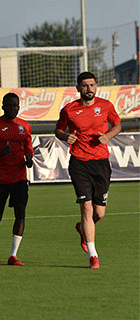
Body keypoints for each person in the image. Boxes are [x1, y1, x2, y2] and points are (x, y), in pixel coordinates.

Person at [55, 71, 121, 269]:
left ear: (96, 86)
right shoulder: (69, 109)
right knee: (86, 207)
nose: (89, 89)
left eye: (92, 85)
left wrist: (108, 136)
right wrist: (65, 137)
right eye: (84, 85)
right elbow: (58, 129)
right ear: (78, 88)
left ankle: (83, 228)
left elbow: (118, 125)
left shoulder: (106, 106)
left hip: (101, 164)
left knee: (99, 213)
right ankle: (93, 256)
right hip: (79, 163)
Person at [0, 93, 33, 266]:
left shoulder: (25, 125)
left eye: (15, 105)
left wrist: (29, 157)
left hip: (19, 177)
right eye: (9, 105)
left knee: (20, 214)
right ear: (3, 107)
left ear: (19, 107)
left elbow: (28, 145)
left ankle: (13, 255)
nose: (12, 108)